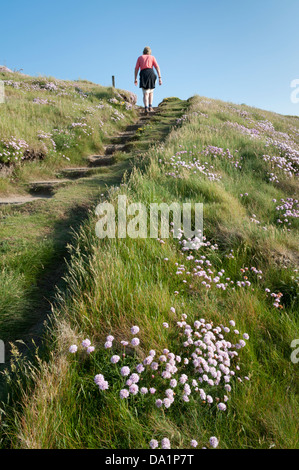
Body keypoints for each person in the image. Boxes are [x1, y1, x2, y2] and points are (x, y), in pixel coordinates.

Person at [134, 46, 162, 114]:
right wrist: (159, 77)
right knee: (151, 92)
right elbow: (157, 67)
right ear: (150, 52)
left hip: (143, 74)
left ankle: (146, 107)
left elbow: (136, 68)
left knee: (145, 93)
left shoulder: (140, 58)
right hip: (151, 73)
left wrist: (135, 78)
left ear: (143, 51)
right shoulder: (152, 57)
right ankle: (150, 107)